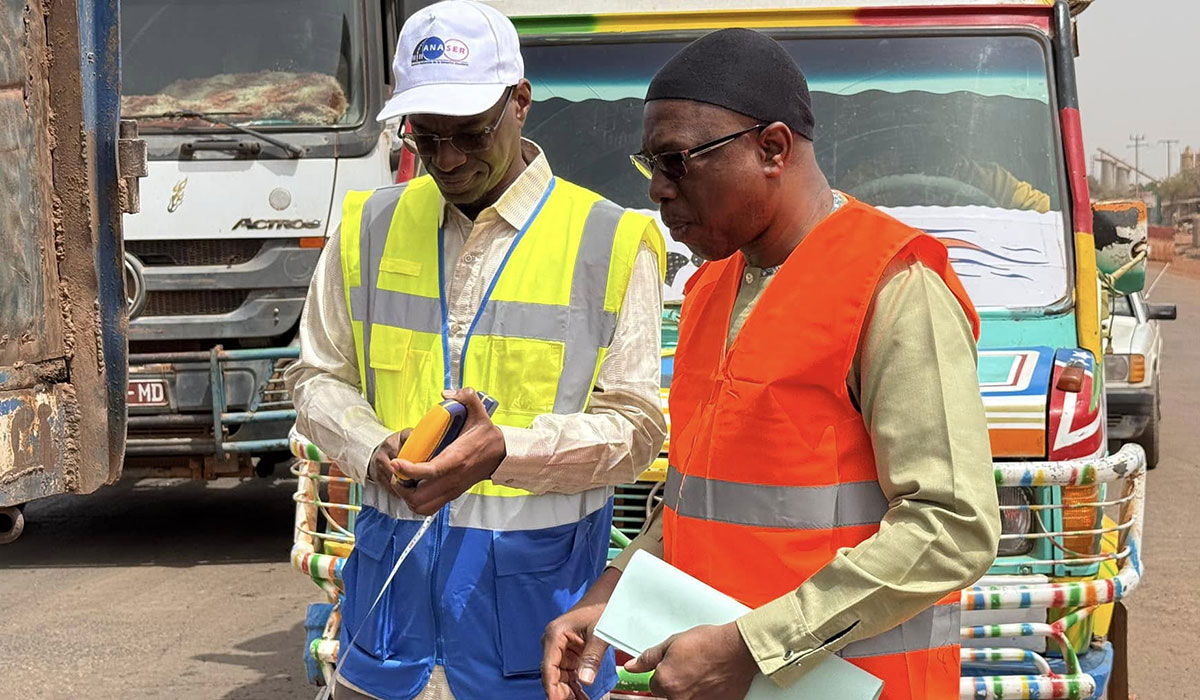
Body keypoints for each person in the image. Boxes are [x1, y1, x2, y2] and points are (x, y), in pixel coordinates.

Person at [542, 28, 1000, 700]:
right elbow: (701, 503)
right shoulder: (709, 290)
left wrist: (753, 648)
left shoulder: (893, 286)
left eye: (677, 162)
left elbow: (954, 526)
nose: (657, 192)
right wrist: (613, 595)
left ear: (773, 148)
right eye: (651, 166)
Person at [286, 2, 667, 699]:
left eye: (469, 134)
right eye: (426, 139)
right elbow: (316, 379)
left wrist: (507, 451)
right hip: (386, 636)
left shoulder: (609, 242)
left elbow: (638, 431)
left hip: (535, 638)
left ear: (520, 103)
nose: (448, 160)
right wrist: (373, 447)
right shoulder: (367, 225)